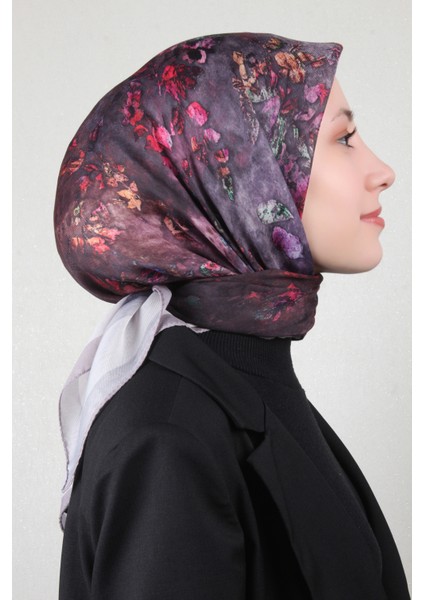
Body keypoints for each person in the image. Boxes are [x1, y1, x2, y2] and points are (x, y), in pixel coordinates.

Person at [54, 31, 409, 599]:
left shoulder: (242, 381)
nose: (383, 171)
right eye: (343, 139)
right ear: (238, 175)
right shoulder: (169, 438)